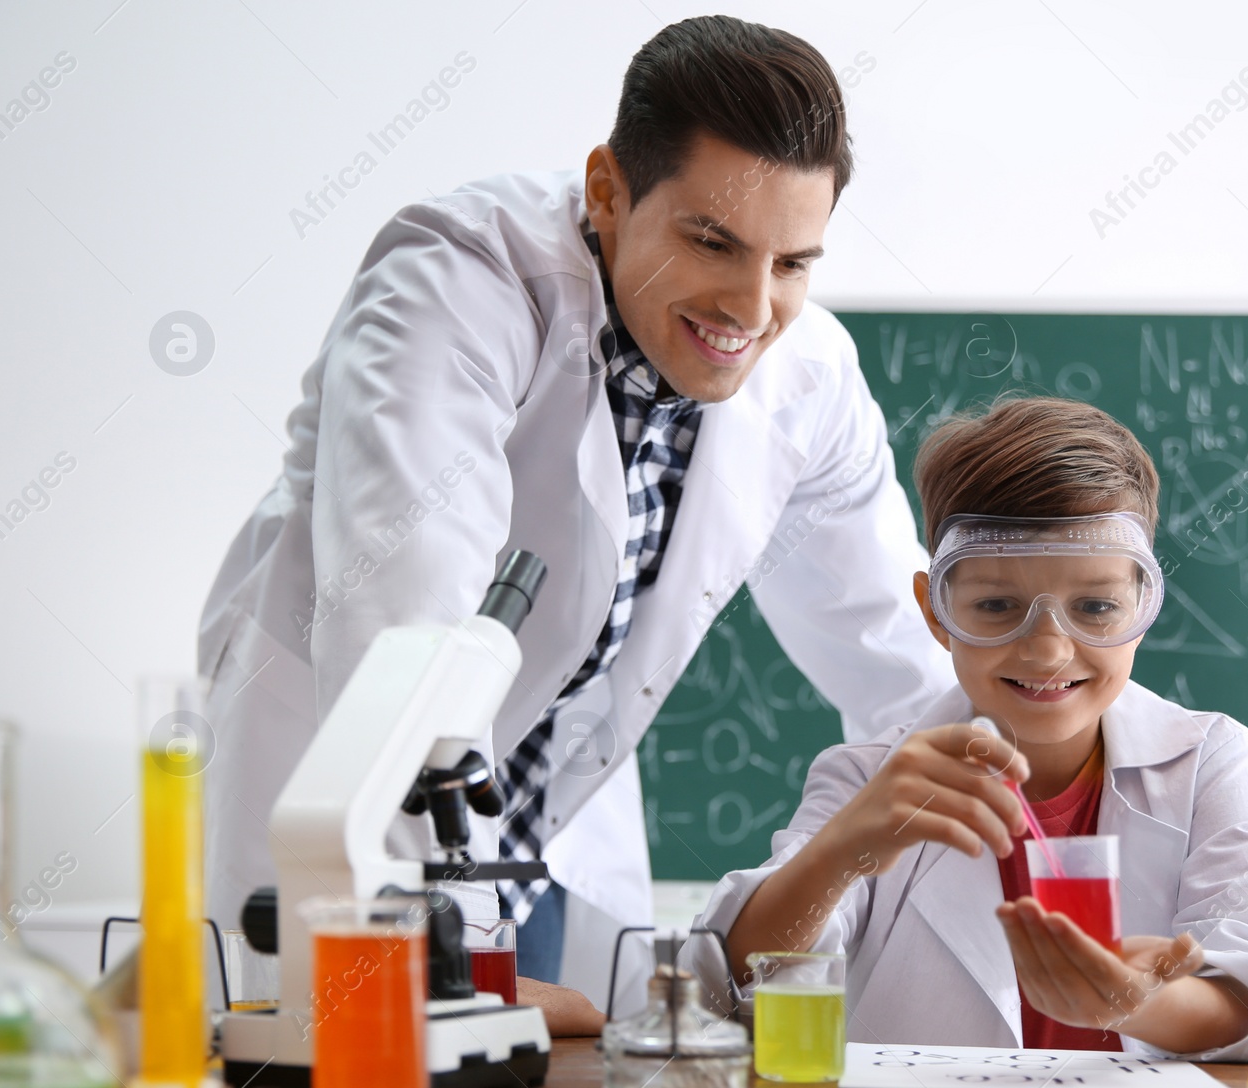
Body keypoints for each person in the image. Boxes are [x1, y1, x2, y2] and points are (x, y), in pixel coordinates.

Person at [196, 13, 949, 1019]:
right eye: (711, 240)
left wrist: (1052, 802)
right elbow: (405, 630)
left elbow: (905, 668)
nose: (750, 305)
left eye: (792, 263)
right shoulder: (455, 278)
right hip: (357, 803)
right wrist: (435, 973)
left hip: (546, 835)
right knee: (342, 1041)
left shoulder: (808, 379)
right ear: (607, 189)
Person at [693, 397, 1248, 1059]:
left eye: (1095, 607)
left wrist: (1136, 1002)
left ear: (1143, 608)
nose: (1047, 651)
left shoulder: (1207, 761)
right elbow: (733, 988)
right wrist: (839, 853)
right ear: (935, 611)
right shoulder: (868, 777)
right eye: (997, 605)